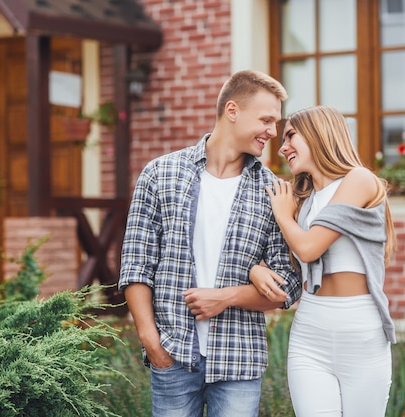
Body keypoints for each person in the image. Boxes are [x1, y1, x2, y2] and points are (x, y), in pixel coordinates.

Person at [118, 70, 302, 417]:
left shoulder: (274, 191)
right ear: (232, 110)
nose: (273, 132)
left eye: (276, 123)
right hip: (173, 355)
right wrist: (150, 340)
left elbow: (289, 285)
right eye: (266, 120)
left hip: (238, 361)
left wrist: (226, 297)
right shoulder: (160, 174)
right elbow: (135, 264)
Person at [250, 105, 397, 417]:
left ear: (319, 134)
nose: (283, 145)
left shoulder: (359, 180)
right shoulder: (301, 199)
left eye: (291, 135)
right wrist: (254, 269)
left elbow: (308, 249)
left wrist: (282, 213)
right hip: (310, 334)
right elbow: (283, 256)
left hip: (360, 333)